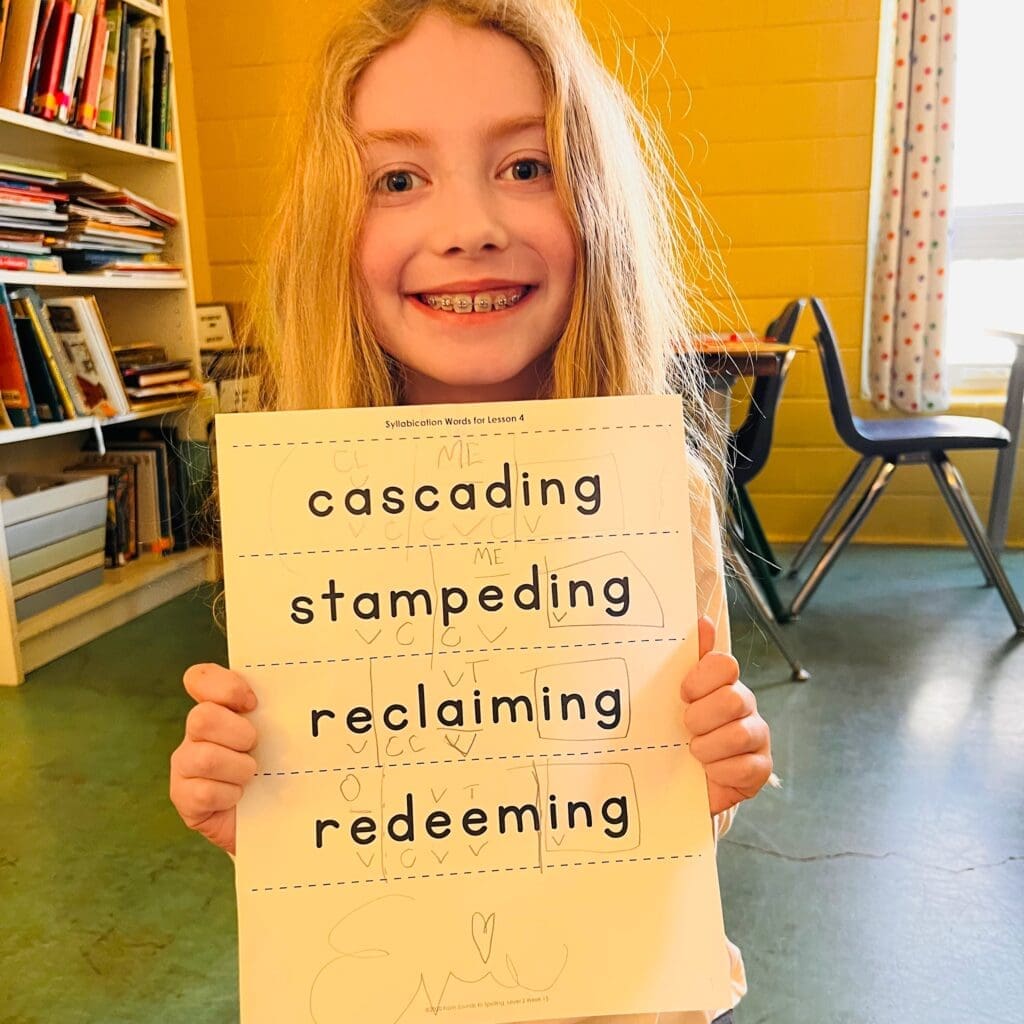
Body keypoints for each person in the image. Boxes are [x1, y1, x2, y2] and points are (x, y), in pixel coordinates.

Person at [169, 3, 774, 1022]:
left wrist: (707, 775)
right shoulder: (302, 506)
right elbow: (335, 830)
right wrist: (256, 811)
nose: (469, 228)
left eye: (525, 165)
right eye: (397, 180)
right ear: (333, 221)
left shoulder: (652, 491)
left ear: (593, 199)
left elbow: (656, 806)